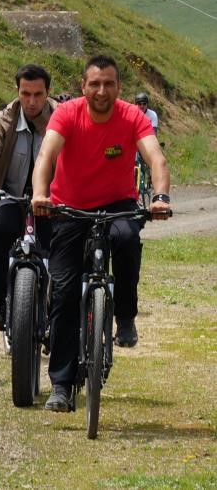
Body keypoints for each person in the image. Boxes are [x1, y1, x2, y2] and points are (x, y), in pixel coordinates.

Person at [31, 55, 170, 412]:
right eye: (95, 84)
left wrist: (160, 197)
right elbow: (46, 156)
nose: (102, 91)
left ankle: (124, 317)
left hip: (117, 203)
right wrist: (40, 194)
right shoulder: (66, 114)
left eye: (108, 84)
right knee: (62, 293)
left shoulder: (132, 116)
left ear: (118, 88)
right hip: (69, 207)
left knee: (126, 238)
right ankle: (61, 386)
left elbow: (155, 158)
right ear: (83, 87)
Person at [0, 65, 57, 330]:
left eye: (38, 94)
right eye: (25, 93)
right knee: (0, 231)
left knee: (59, 244)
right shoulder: (5, 119)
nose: (31, 101)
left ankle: (58, 304)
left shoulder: (60, 120)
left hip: (50, 200)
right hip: (11, 195)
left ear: (47, 93)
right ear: (17, 91)